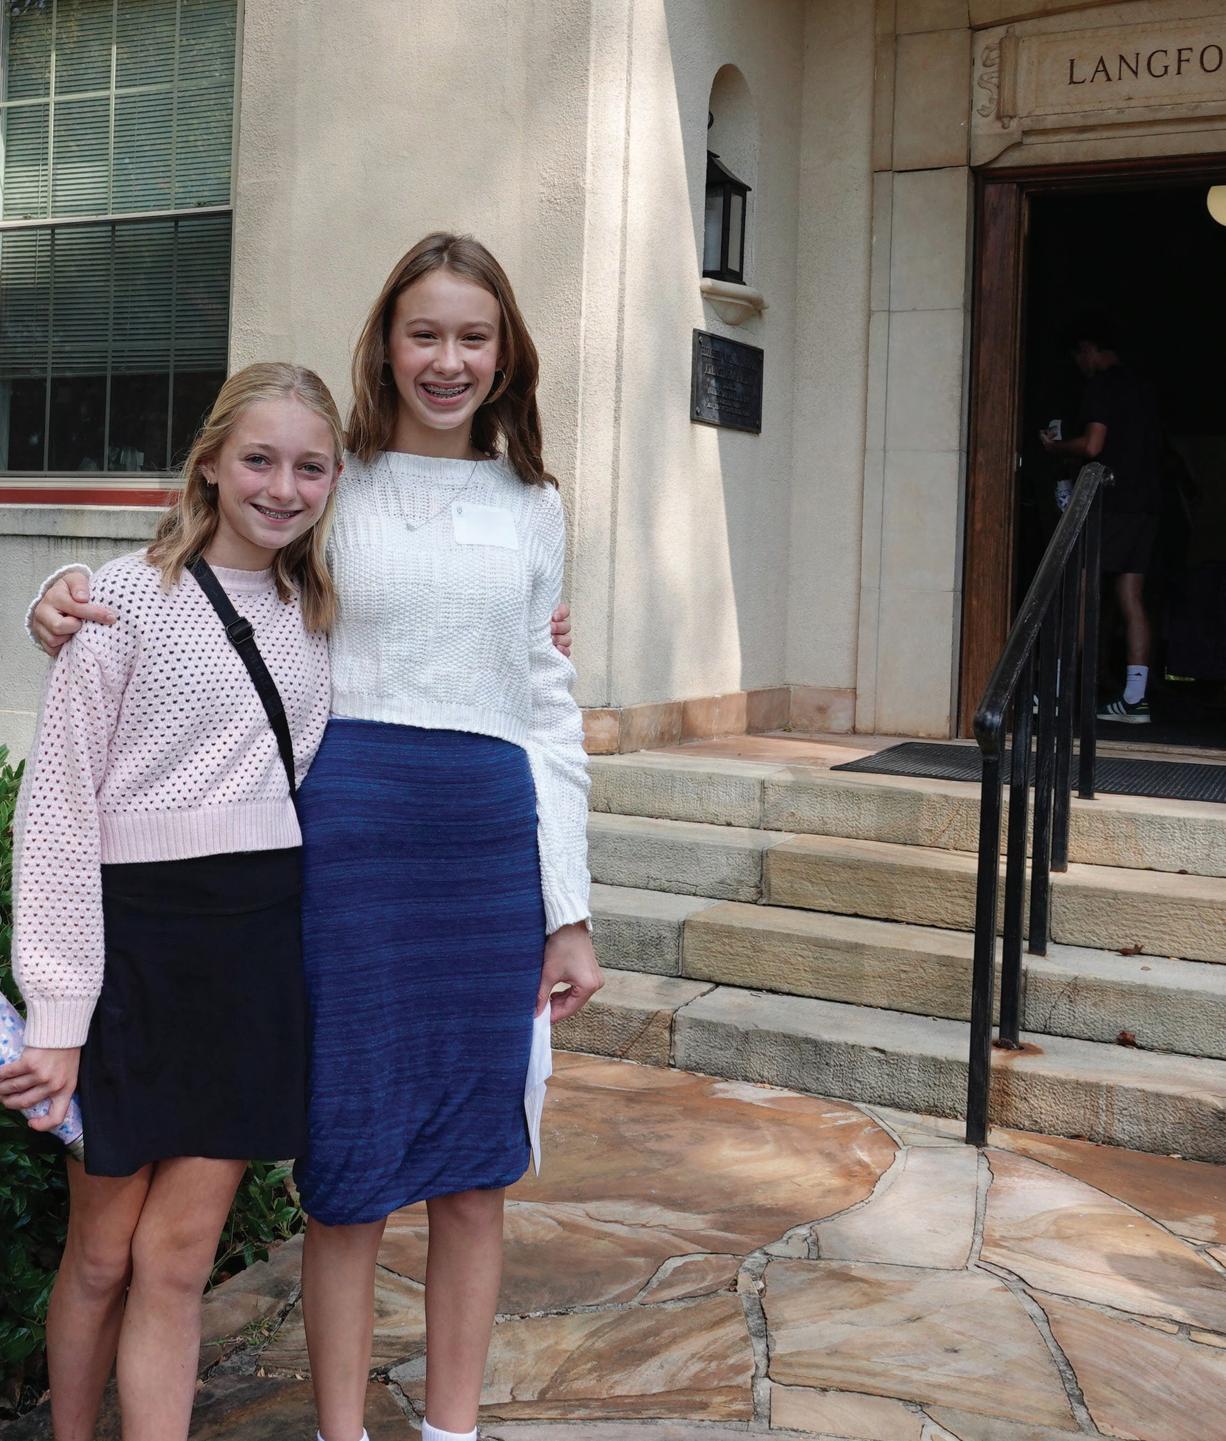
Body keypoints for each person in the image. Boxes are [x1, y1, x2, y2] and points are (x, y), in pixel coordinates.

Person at [29, 233, 602, 1441]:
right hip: (343, 845)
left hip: (484, 842)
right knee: (351, 1159)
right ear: (383, 346)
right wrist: (65, 592)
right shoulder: (341, 486)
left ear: (505, 356)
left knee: (475, 1164)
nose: (446, 360)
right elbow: (212, 563)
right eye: (422, 333)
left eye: (473, 337)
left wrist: (570, 907)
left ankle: (450, 1428)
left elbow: (546, 702)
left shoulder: (535, 505)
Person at [2, 363, 343, 1441]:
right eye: (258, 459)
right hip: (131, 960)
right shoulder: (118, 601)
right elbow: (57, 811)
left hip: (254, 961)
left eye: (310, 467)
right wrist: (58, 1014)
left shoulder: (323, 616)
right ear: (208, 463)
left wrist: (535, 638)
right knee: (103, 1252)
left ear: (335, 481)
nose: (282, 487)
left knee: (179, 1256)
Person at [1041, 313, 1162, 723]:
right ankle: (1135, 698)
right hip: (1146, 504)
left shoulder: (1103, 385)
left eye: (1079, 357)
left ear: (1088, 349)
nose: (1079, 365)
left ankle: (1057, 693)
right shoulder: (1144, 387)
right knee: (1131, 596)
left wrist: (1056, 449)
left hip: (1113, 502)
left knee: (1078, 590)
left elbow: (1093, 446)